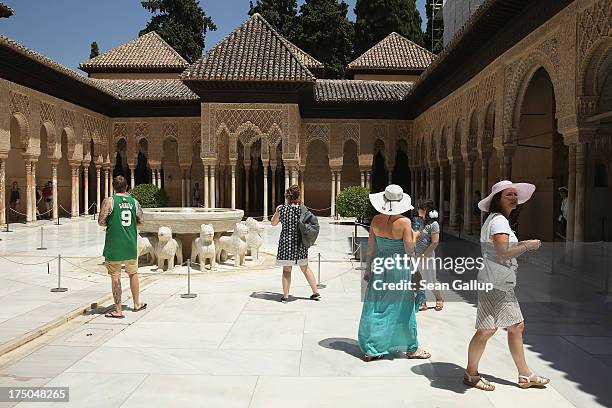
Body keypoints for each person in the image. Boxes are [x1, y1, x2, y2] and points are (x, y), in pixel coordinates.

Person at [464, 180, 549, 391]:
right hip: (496, 283)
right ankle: (473, 374)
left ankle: (523, 374)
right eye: (508, 194)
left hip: (496, 281)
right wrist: (526, 246)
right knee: (492, 329)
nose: (513, 197)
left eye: (514, 194)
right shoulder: (499, 222)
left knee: (510, 327)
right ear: (497, 200)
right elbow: (502, 253)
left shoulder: (495, 220)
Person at [358, 184, 430, 361]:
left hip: (380, 267)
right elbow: (410, 249)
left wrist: (368, 269)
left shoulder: (375, 220)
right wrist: (415, 235)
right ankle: (412, 348)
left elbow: (371, 249)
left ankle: (372, 347)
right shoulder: (405, 222)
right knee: (403, 307)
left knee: (377, 306)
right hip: (399, 268)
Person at [98, 175, 146, 318]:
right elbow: (141, 221)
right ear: (126, 187)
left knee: (115, 275)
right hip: (131, 243)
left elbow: (101, 221)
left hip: (114, 245)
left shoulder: (109, 201)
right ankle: (137, 303)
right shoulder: (134, 201)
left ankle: (118, 310)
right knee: (133, 273)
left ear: (113, 187)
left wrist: (113, 224)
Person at [271, 185, 320, 303]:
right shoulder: (303, 209)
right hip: (300, 243)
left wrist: (277, 211)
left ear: (287, 197)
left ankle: (286, 296)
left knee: (287, 270)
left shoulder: (283, 209)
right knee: (305, 268)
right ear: (298, 196)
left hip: (286, 243)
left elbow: (273, 223)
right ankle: (315, 292)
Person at [415, 199, 443, 311]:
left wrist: (424, 256)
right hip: (416, 254)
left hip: (427, 255)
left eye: (419, 208)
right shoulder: (418, 221)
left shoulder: (434, 224)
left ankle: (439, 298)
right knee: (418, 280)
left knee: (430, 280)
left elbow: (435, 242)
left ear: (425, 210)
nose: (417, 210)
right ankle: (423, 302)